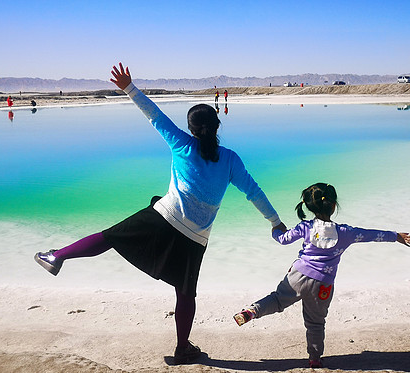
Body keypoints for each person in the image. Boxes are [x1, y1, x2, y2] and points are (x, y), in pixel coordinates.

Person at [34, 62, 285, 364]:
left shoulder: (181, 143)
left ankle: (57, 256)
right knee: (186, 294)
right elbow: (254, 192)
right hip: (196, 237)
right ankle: (182, 349)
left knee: (110, 236)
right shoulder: (230, 160)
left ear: (192, 128)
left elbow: (153, 115)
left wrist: (128, 87)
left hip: (164, 218)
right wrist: (276, 222)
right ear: (217, 127)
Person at [233, 183, 410, 369]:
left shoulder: (305, 227)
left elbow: (283, 239)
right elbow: (370, 234)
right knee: (315, 323)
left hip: (297, 275)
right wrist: (395, 236)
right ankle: (314, 359)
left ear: (309, 206)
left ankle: (251, 311)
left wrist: (276, 230)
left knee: (278, 300)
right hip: (323, 285)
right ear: (334, 205)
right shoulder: (346, 232)